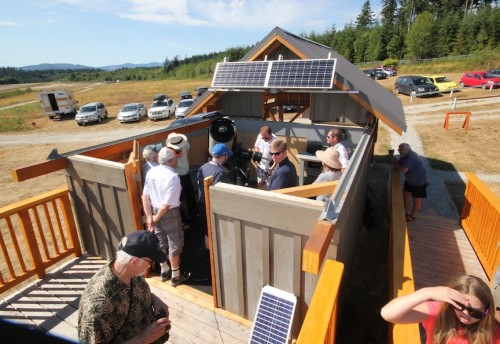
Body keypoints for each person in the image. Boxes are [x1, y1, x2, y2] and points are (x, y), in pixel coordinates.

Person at [78, 230, 171, 344]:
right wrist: (143, 339)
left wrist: (155, 300)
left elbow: (134, 294)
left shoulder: (133, 272)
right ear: (135, 262)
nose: (151, 266)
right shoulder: (98, 304)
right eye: (151, 262)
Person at [381, 274, 500, 343]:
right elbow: (388, 314)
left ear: (487, 311)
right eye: (459, 306)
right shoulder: (439, 313)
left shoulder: (492, 333)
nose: (465, 314)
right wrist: (425, 293)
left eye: (475, 312)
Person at [142, 147, 191, 286]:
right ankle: (175, 275)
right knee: (174, 243)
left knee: (160, 243)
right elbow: (166, 206)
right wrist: (154, 219)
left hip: (154, 211)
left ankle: (164, 270)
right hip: (169, 213)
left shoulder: (151, 172)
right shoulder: (173, 177)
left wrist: (150, 217)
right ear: (170, 161)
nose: (177, 159)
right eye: (175, 158)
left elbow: (145, 197)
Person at [197, 143, 233, 248]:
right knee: (216, 231)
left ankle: (209, 256)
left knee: (207, 231)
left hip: (201, 204)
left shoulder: (202, 167)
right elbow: (224, 195)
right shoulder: (220, 173)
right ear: (224, 156)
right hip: (212, 207)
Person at [166, 132, 197, 229]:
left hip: (178, 176)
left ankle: (184, 220)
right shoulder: (186, 145)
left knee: (180, 199)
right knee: (188, 196)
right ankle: (193, 214)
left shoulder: (169, 153)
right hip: (184, 174)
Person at [393, 143, 429, 222]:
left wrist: (395, 164)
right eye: (399, 149)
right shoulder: (404, 155)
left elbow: (403, 169)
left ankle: (413, 215)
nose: (398, 150)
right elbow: (399, 164)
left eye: (400, 149)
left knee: (416, 199)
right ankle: (404, 211)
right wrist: (395, 162)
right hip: (410, 181)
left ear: (406, 150)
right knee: (405, 195)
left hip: (420, 182)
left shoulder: (411, 156)